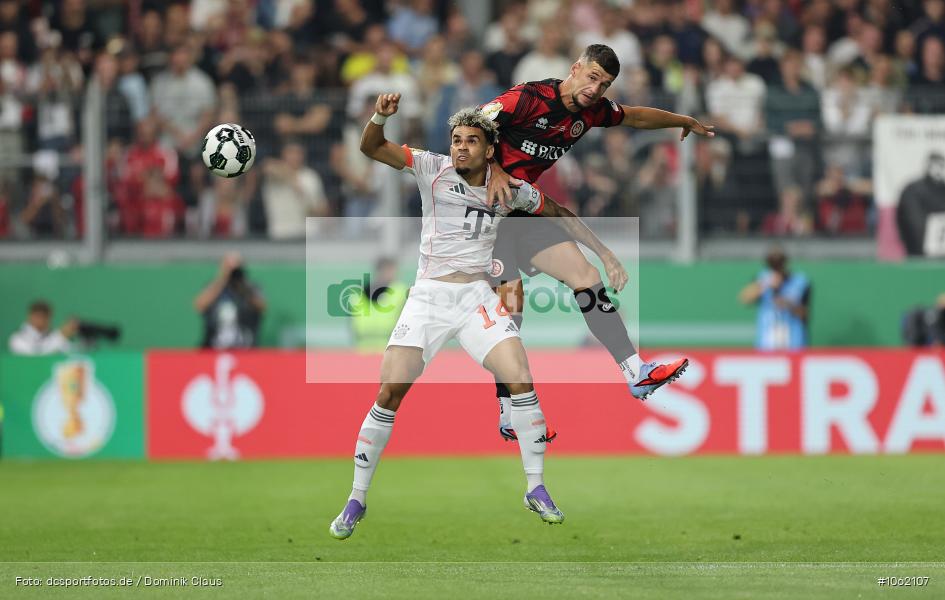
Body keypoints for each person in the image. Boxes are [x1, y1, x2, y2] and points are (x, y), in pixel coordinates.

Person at [329, 94, 621, 539]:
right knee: (390, 391)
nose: (460, 148)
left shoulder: (511, 190)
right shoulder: (431, 168)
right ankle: (356, 498)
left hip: (477, 300)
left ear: (490, 150)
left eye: (471, 141)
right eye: (456, 140)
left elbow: (559, 213)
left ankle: (536, 487)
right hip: (429, 297)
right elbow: (372, 148)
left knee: (520, 375)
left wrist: (601, 252)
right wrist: (380, 117)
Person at [480, 44, 708, 440]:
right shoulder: (527, 98)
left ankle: (635, 371)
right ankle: (506, 410)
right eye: (592, 78)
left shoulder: (591, 112)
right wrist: (495, 168)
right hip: (484, 213)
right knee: (511, 310)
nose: (595, 89)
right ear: (575, 68)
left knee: (586, 275)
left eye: (603, 84)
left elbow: (634, 116)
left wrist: (680, 119)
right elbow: (469, 125)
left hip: (524, 209)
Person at [738, 247, 811, 351]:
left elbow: (805, 315)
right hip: (767, 343)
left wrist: (788, 304)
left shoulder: (800, 282)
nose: (776, 267)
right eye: (773, 264)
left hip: (793, 342)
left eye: (779, 263)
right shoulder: (762, 279)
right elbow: (744, 299)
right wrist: (765, 285)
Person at [193, 252, 266, 349]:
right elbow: (200, 305)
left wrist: (242, 285)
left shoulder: (250, 287)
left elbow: (261, 306)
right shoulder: (214, 287)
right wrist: (222, 279)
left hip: (245, 345)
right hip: (214, 345)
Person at [349, 257, 409, 351]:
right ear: (380, 270)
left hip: (389, 347)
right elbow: (353, 323)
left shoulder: (400, 291)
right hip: (363, 348)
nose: (394, 273)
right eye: (390, 270)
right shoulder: (359, 293)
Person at [897, 152, 945, 256]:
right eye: (935, 165)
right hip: (919, 247)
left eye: (941, 165)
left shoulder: (942, 189)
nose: (939, 169)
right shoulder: (913, 190)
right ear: (928, 166)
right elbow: (911, 220)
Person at [8, 300, 77, 355]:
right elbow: (35, 358)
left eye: (45, 316)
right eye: (38, 316)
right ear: (30, 316)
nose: (41, 320)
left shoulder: (55, 335)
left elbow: (72, 353)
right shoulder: (17, 338)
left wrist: (66, 334)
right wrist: (61, 337)